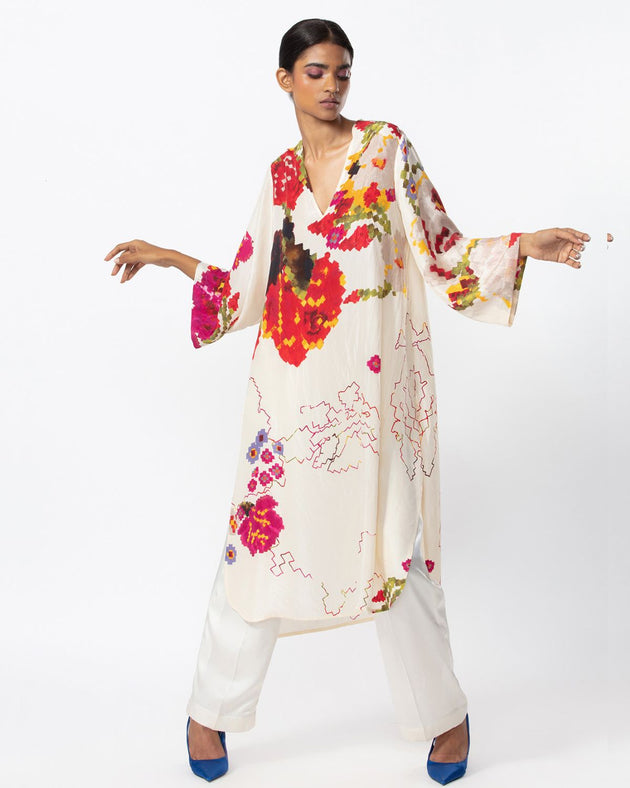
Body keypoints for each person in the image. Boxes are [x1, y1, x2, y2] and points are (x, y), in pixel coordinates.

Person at [104, 18, 589, 785]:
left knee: (393, 555)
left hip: (371, 401)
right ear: (284, 80)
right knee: (257, 549)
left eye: (342, 71)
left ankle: (445, 715)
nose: (332, 85)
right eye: (316, 71)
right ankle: (209, 709)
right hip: (288, 401)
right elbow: (248, 284)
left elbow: (441, 248)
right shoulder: (280, 178)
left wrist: (522, 246)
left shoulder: (386, 149)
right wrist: (169, 257)